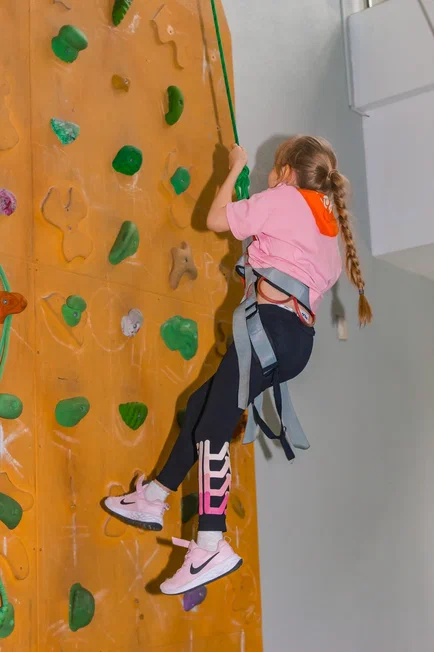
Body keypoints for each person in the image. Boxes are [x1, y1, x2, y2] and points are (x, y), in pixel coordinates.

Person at [103, 135, 372, 595]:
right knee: (202, 406)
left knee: (212, 426)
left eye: (276, 166)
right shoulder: (328, 224)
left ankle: (211, 542)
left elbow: (215, 218)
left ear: (287, 171)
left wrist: (234, 167)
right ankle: (154, 496)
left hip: (267, 328)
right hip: (295, 343)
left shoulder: (285, 199)